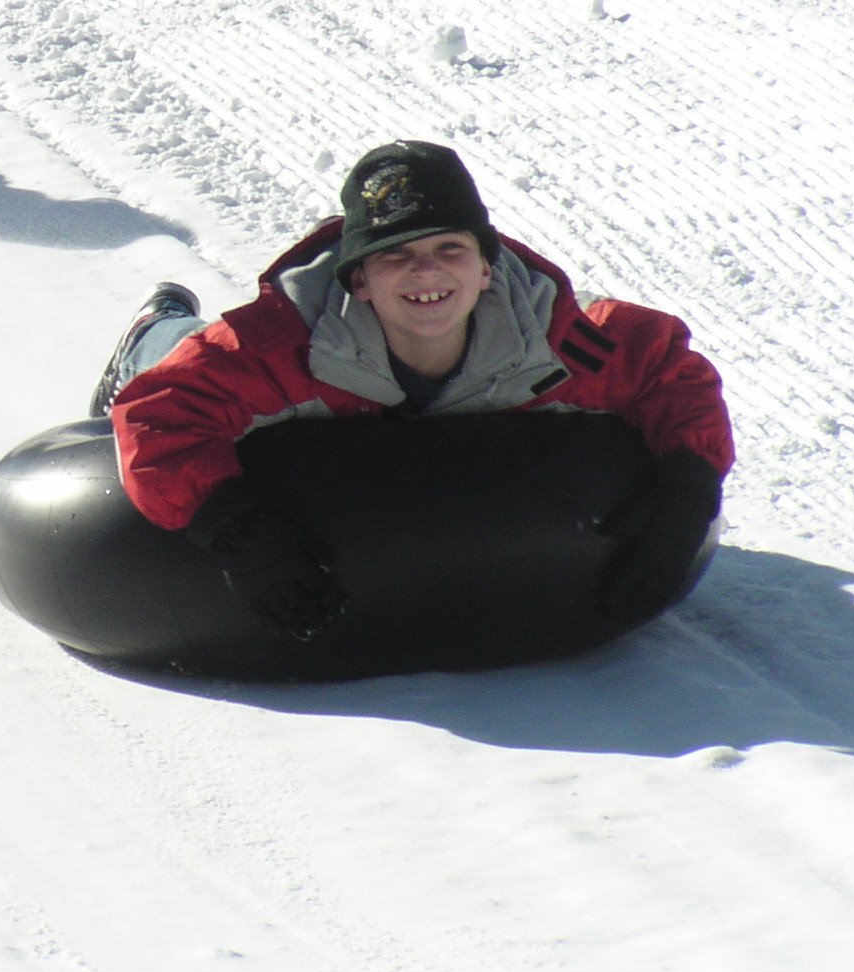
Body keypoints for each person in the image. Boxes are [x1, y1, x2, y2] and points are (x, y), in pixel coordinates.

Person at [94, 140, 734, 639]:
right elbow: (162, 409)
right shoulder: (285, 341)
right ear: (359, 281)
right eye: (395, 255)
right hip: (230, 361)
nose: (426, 271)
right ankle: (153, 326)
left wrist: (687, 486)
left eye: (450, 249)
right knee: (176, 353)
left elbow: (670, 372)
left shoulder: (558, 342)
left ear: (487, 268)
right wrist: (236, 527)